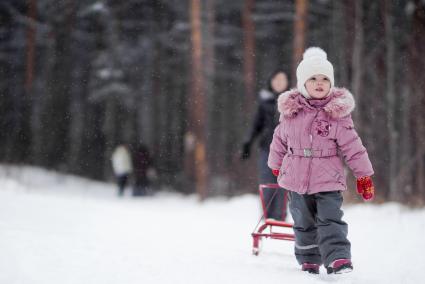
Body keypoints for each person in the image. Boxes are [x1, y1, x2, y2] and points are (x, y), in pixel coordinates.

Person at [268, 47, 375, 275]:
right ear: (302, 83)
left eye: (325, 79)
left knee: (330, 219)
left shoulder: (337, 115)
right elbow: (278, 141)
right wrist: (276, 166)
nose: (319, 83)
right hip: (297, 179)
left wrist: (363, 175)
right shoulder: (291, 113)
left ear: (331, 83)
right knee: (303, 221)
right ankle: (308, 258)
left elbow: (353, 147)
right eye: (313, 78)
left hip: (329, 179)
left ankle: (338, 258)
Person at [241, 70, 289, 220]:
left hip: (287, 151)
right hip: (267, 149)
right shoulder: (264, 101)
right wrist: (247, 143)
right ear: (271, 82)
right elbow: (256, 125)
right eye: (277, 79)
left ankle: (280, 216)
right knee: (267, 182)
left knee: (283, 183)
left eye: (283, 80)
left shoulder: (292, 101)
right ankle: (267, 216)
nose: (279, 82)